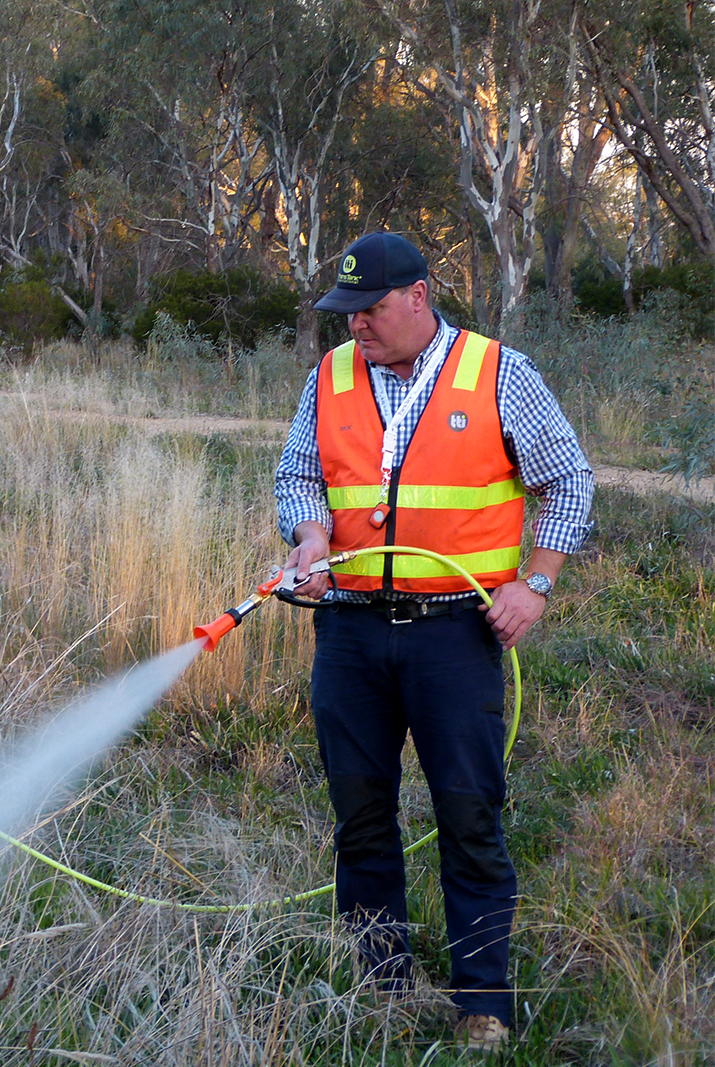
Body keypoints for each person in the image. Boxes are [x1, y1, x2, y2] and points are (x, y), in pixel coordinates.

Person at [274, 232, 593, 1050]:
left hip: (454, 637)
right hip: (348, 637)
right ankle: (381, 985)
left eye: (370, 311)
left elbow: (568, 477)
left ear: (418, 295)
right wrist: (309, 537)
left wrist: (537, 582)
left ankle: (483, 1002)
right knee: (361, 820)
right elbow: (298, 473)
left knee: (468, 818)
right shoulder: (332, 375)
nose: (356, 330)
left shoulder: (499, 373)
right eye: (345, 315)